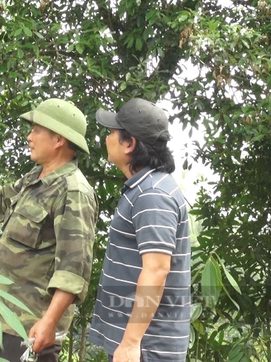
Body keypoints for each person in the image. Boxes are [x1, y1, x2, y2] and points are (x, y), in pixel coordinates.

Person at [0, 99, 98, 362]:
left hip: (30, 329)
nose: (29, 136)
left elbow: (74, 270)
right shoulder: (36, 178)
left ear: (58, 139)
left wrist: (49, 323)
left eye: (36, 130)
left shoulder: (73, 191)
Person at [88, 98, 191, 362]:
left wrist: (132, 342)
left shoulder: (152, 194)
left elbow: (157, 269)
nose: (107, 138)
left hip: (147, 349)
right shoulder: (146, 187)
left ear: (130, 144)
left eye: (112, 132)